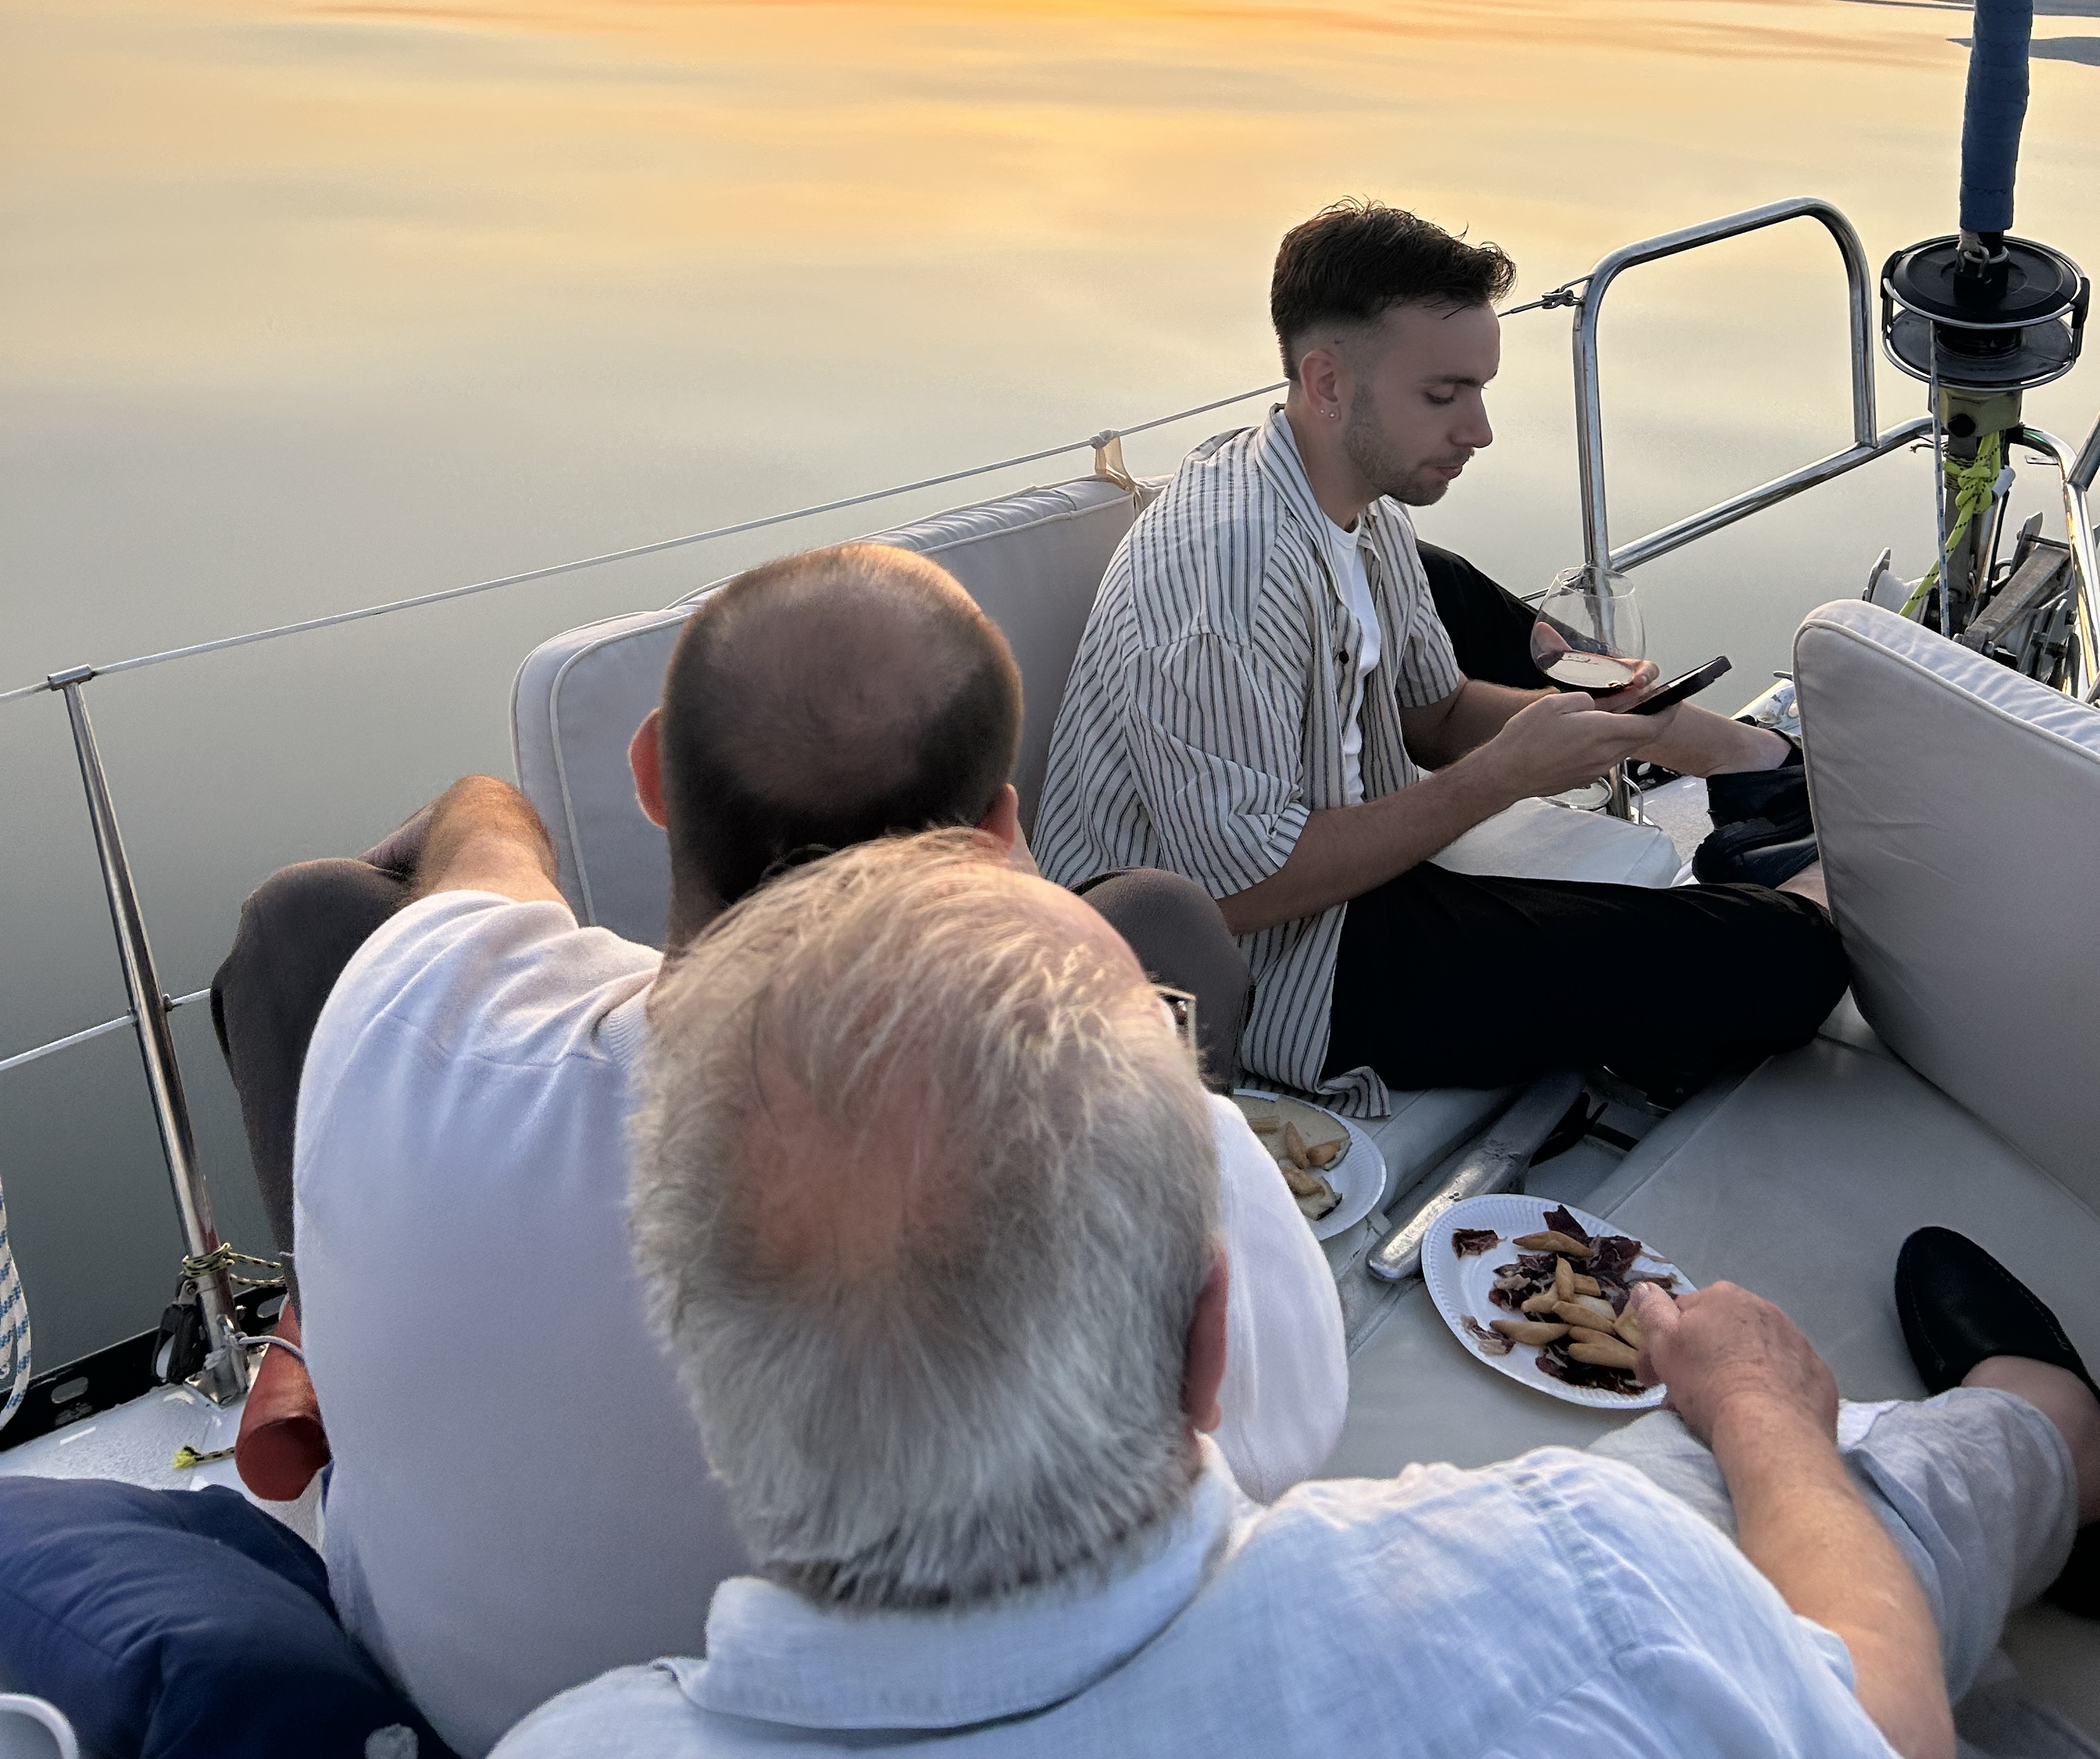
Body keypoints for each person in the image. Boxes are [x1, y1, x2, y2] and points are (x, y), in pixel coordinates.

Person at [490, 835, 2097, 1759]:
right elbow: (1888, 1730)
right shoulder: (1568, 1585)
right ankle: (2056, 1429)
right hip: (1681, 1543)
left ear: (695, 1354)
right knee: (1822, 1473)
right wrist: (1762, 1418)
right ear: (1211, 1341)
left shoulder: (570, 1748)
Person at [265, 545, 1344, 1759]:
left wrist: (485, 801)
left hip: (443, 1698)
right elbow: (1285, 1440)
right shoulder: (1179, 1164)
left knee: (305, 911)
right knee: (1155, 920)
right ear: (998, 831)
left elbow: (480, 876)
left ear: (650, 773)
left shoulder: (413, 1023)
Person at [1034, 198, 1848, 1108]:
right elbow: (1243, 889)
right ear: (1328, 382)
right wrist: (1501, 776)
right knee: (1790, 965)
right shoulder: (1225, 576)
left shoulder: (1357, 506)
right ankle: (1824, 871)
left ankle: (1765, 812)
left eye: (1481, 390)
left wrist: (1580, 729)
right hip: (1249, 970)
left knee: (1461, 595)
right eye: (1443, 395)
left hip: (1344, 889)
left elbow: (1437, 712)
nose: (1480, 431)